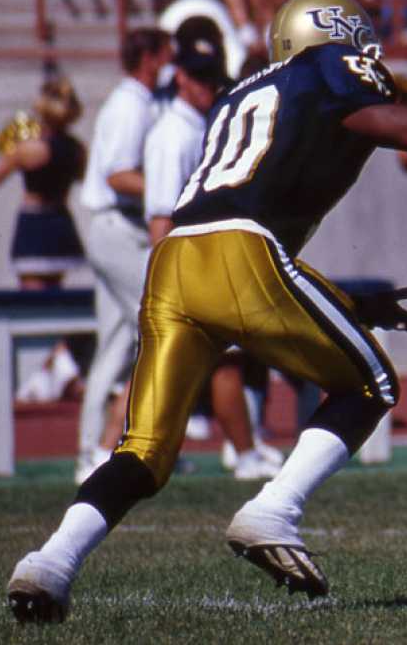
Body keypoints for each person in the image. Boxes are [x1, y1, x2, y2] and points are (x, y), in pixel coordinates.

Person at [6, 0, 407, 623]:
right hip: (241, 253)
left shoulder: (241, 92)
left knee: (142, 451)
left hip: (175, 261)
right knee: (372, 385)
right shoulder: (328, 64)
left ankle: (49, 563)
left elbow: (247, 226)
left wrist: (350, 305)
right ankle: (274, 509)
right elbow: (400, 127)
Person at [141, 29, 279, 483]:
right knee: (219, 362)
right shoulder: (173, 136)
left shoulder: (200, 126)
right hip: (190, 263)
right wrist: (163, 283)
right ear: (180, 77)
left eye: (211, 77)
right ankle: (243, 453)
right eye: (198, 77)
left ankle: (240, 450)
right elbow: (161, 216)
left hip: (205, 259)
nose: (207, 86)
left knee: (204, 363)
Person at [74, 28, 169, 484]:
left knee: (115, 345)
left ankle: (92, 451)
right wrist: (171, 188)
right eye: (165, 55)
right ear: (149, 58)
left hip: (113, 229)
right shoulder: (131, 105)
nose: (170, 65)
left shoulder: (132, 101)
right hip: (120, 230)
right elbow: (119, 175)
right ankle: (113, 447)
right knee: (160, 327)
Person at [0, 77, 86, 291]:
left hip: (33, 224)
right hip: (61, 222)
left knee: (32, 300)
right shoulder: (77, 149)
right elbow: (82, 178)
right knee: (56, 295)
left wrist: (13, 148)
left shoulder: (29, 149)